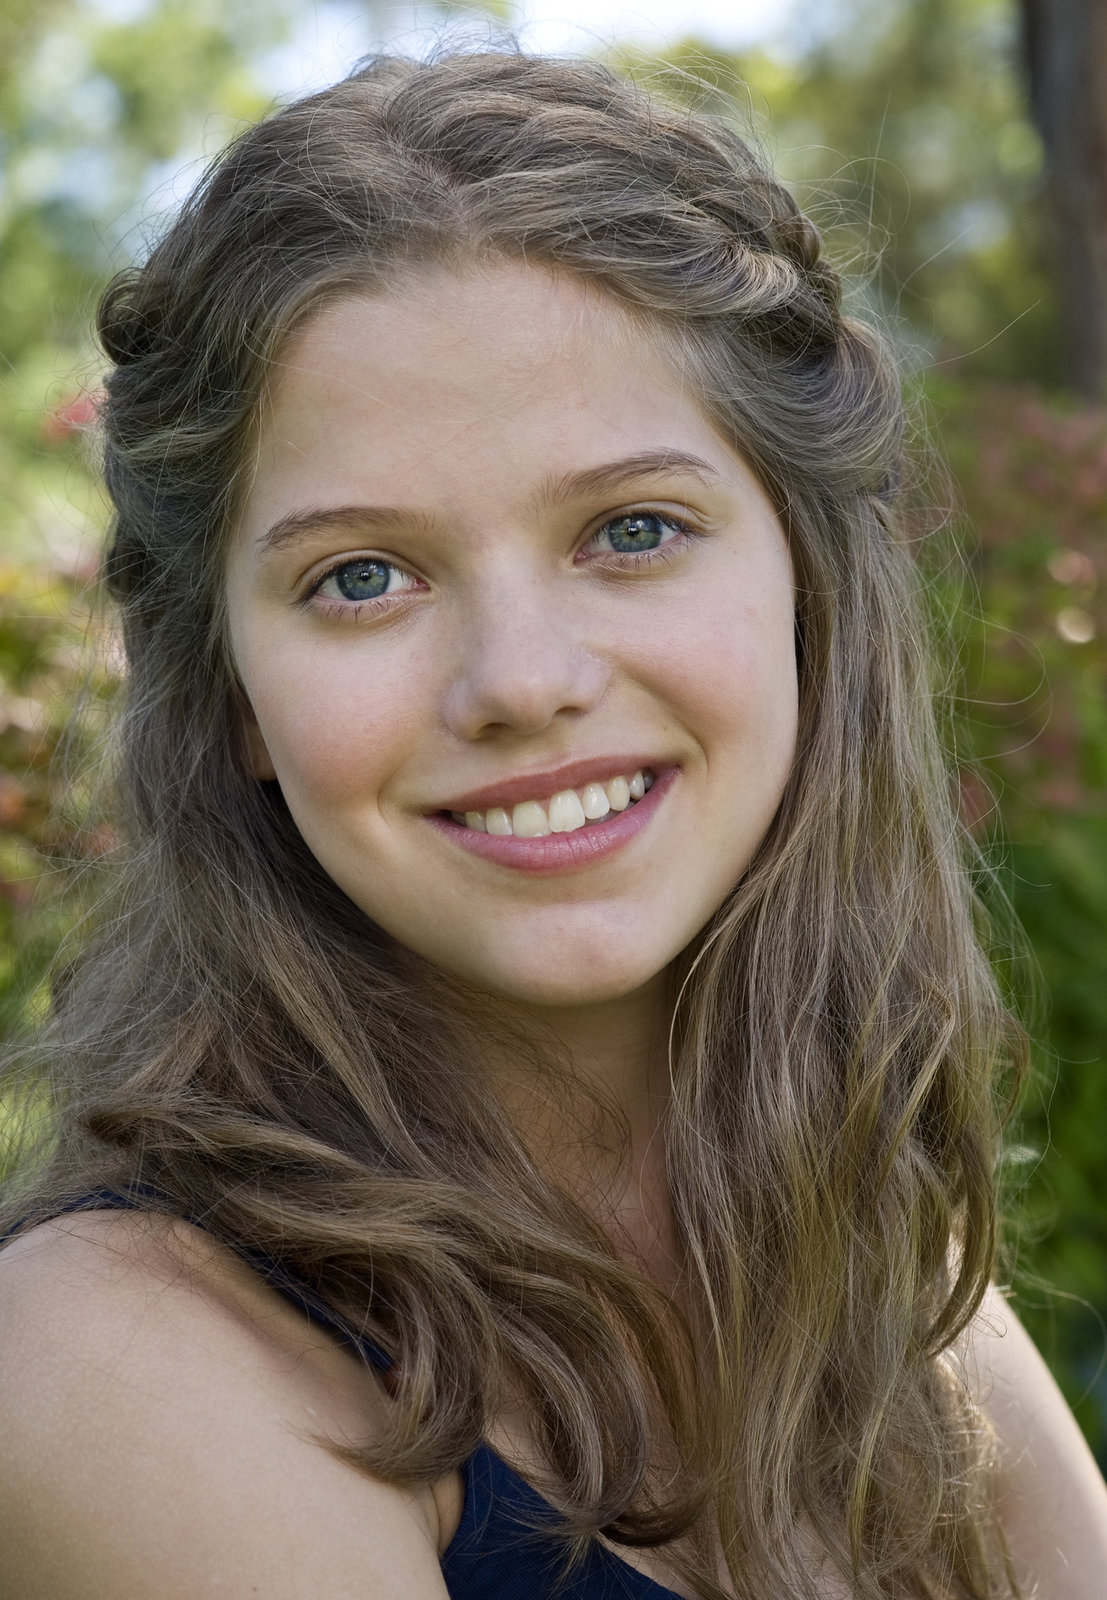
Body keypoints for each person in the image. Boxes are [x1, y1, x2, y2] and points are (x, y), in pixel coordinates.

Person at [0, 48, 1104, 1600]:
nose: (521, 682)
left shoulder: (877, 1272)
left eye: (631, 530)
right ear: (234, 694)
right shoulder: (115, 1363)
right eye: (362, 578)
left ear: (808, 588)